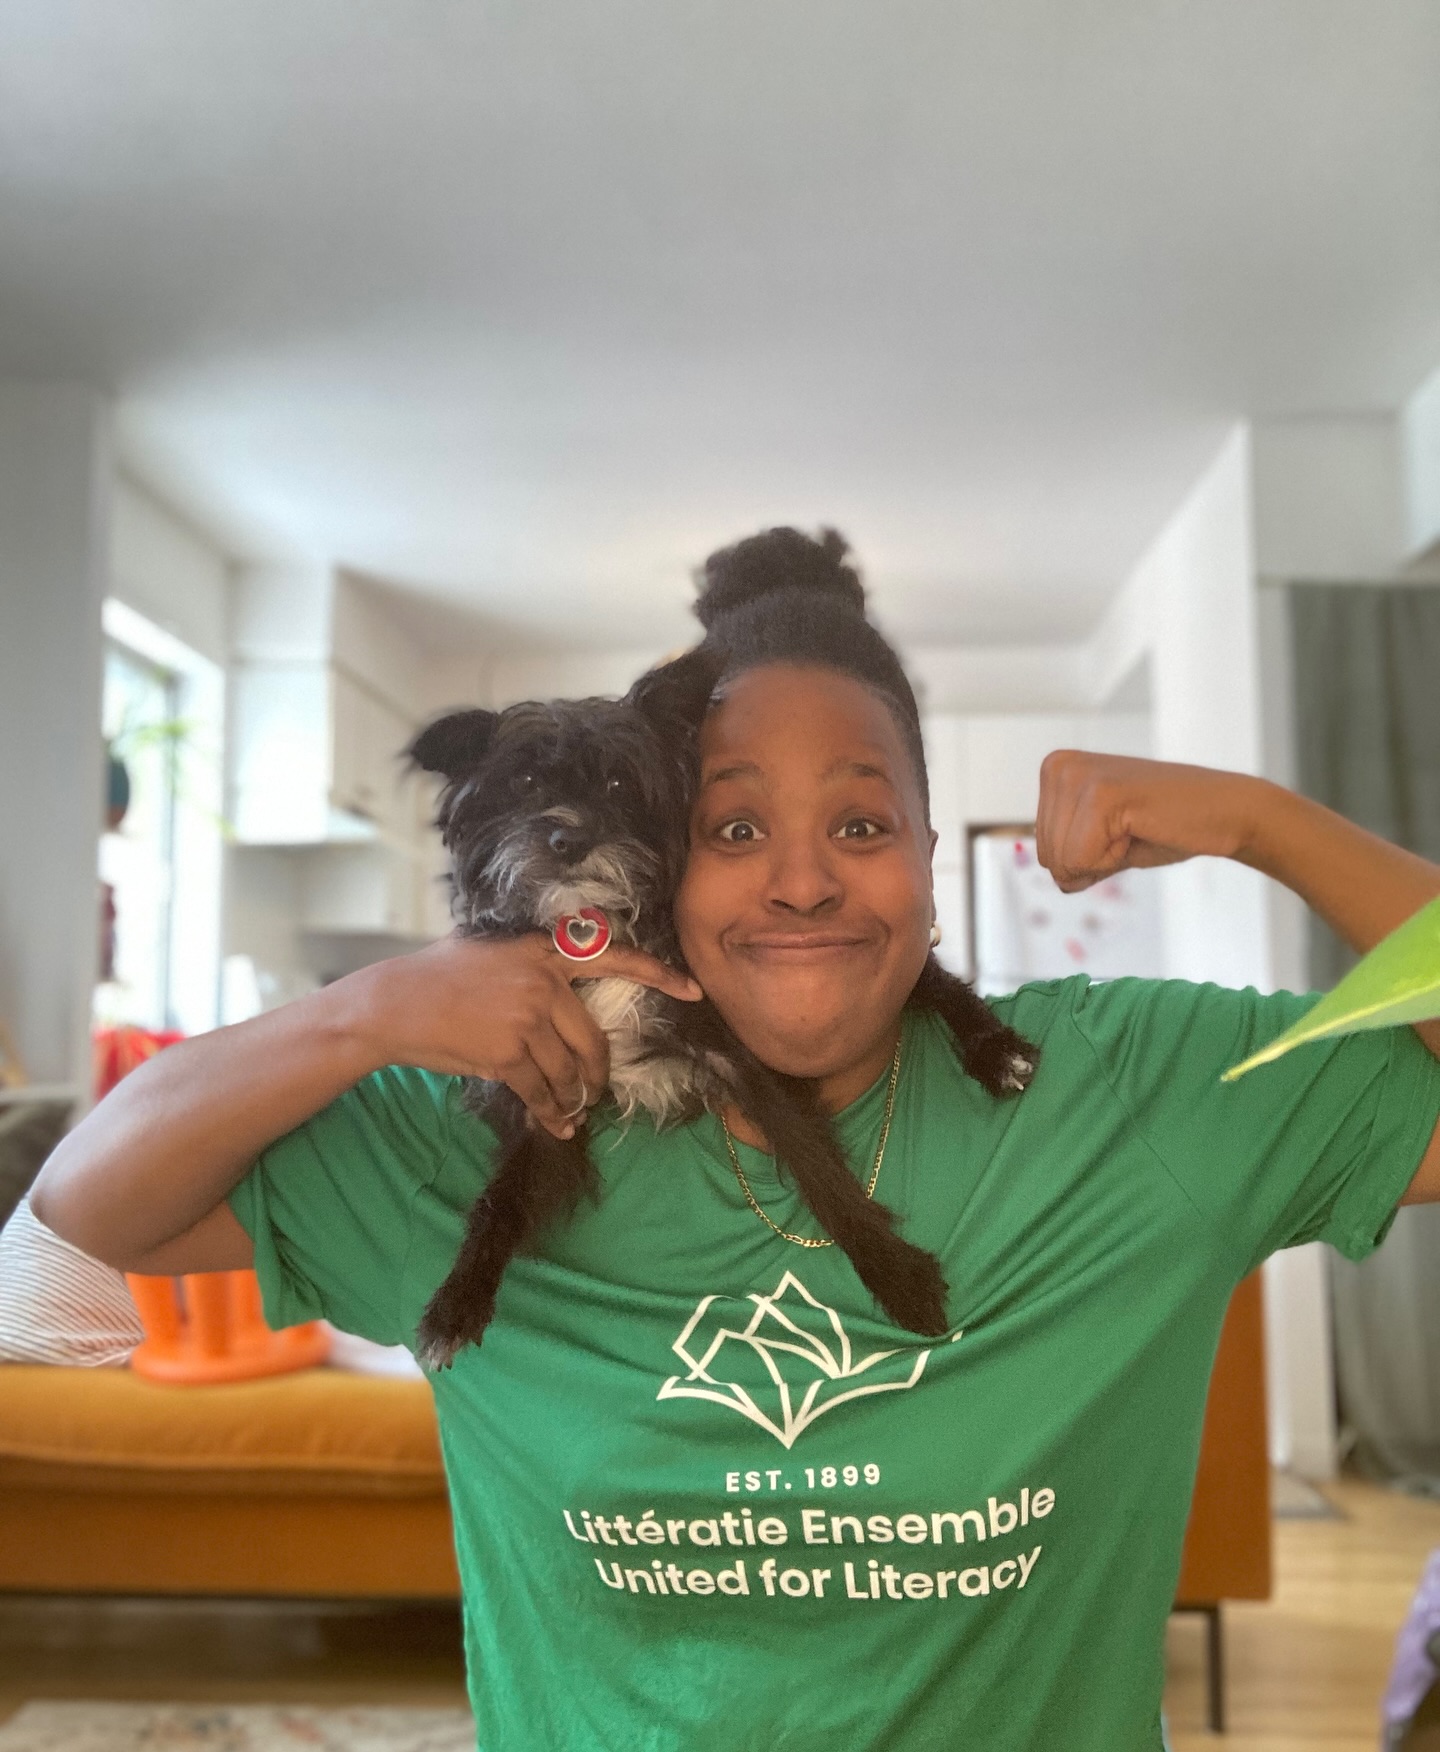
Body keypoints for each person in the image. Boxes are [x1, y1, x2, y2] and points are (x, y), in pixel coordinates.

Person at [33, 529, 1440, 1752]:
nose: (803, 878)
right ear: (653, 868)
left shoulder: (1122, 1090)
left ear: (931, 857)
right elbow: (72, 1228)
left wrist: (1266, 824)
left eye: (862, 822)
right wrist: (359, 1013)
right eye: (734, 826)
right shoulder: (496, 1127)